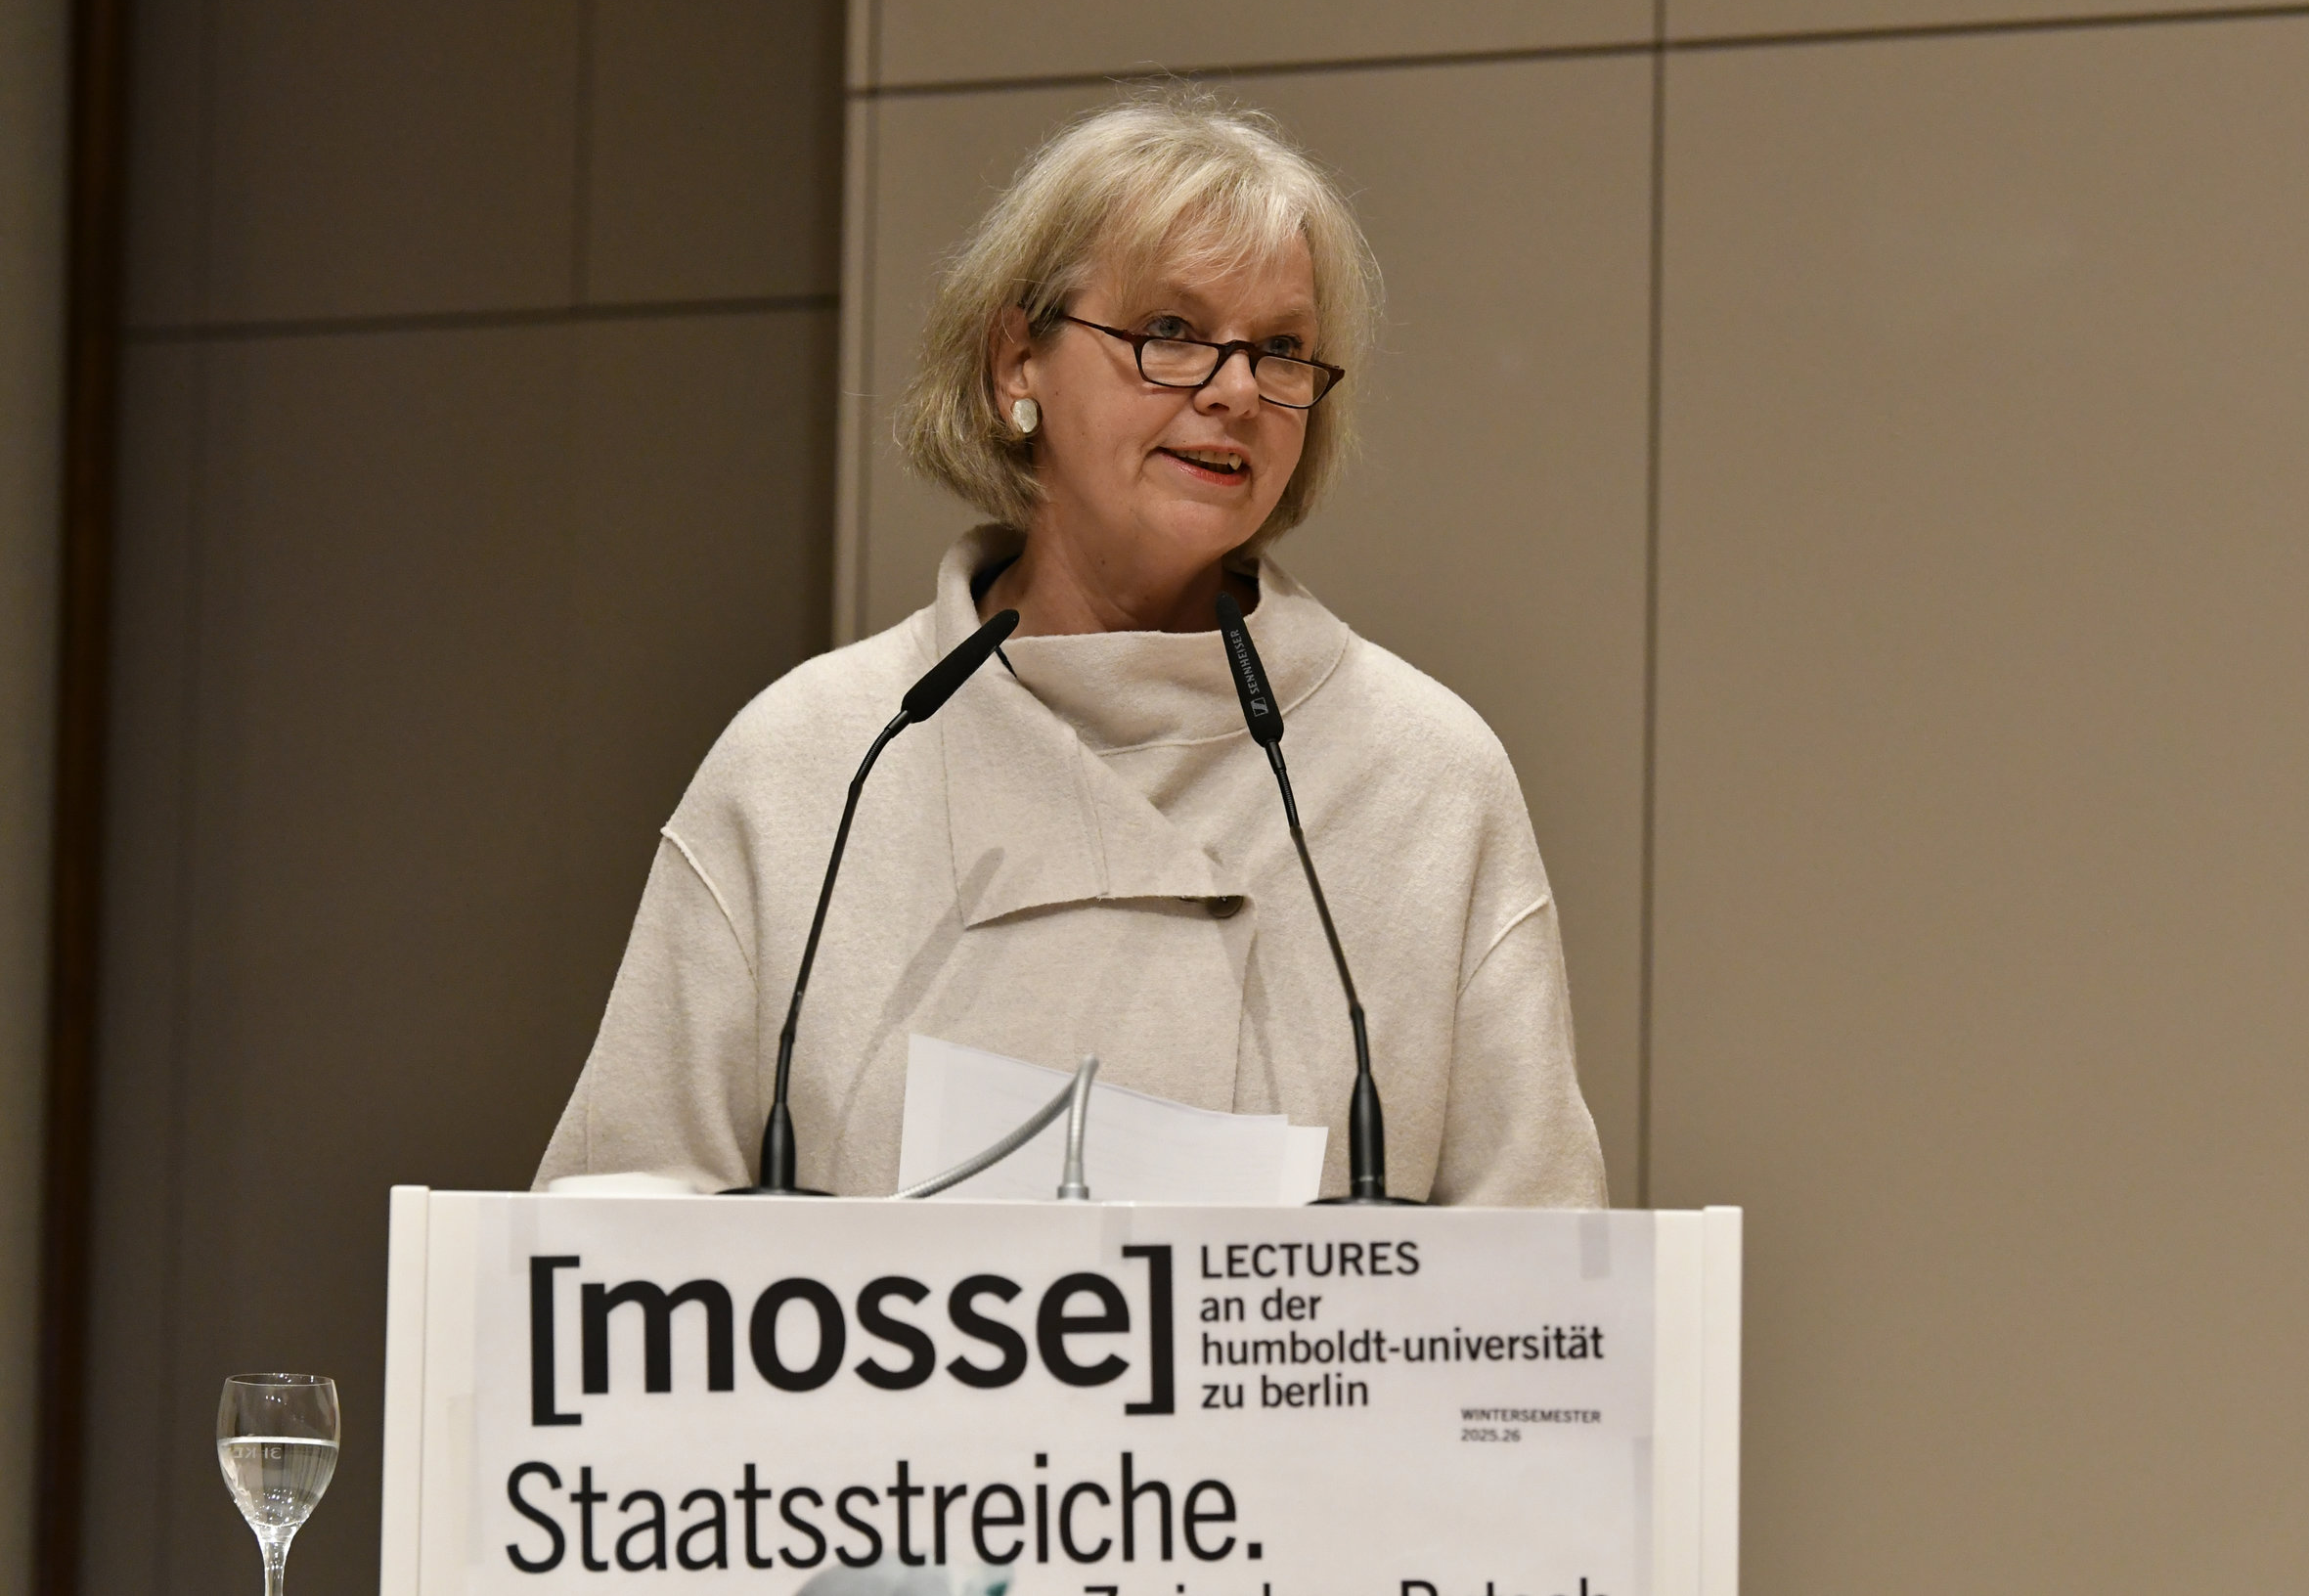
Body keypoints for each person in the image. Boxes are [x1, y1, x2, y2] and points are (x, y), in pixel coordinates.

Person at [536, 90, 1604, 1206]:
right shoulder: (815, 759)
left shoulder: (1425, 776)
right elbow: (610, 1232)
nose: (1237, 390)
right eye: (1171, 331)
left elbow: (1542, 1266)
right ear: (1017, 362)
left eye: (1282, 349)